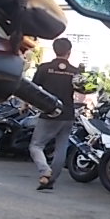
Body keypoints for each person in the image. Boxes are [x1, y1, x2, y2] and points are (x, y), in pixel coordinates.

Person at [28, 38, 79, 190]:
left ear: (54, 50)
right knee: (61, 147)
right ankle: (51, 180)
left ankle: (45, 171)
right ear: (69, 52)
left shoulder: (44, 68)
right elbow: (83, 89)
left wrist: (25, 103)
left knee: (36, 145)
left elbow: (31, 88)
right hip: (68, 114)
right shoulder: (75, 72)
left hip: (50, 112)